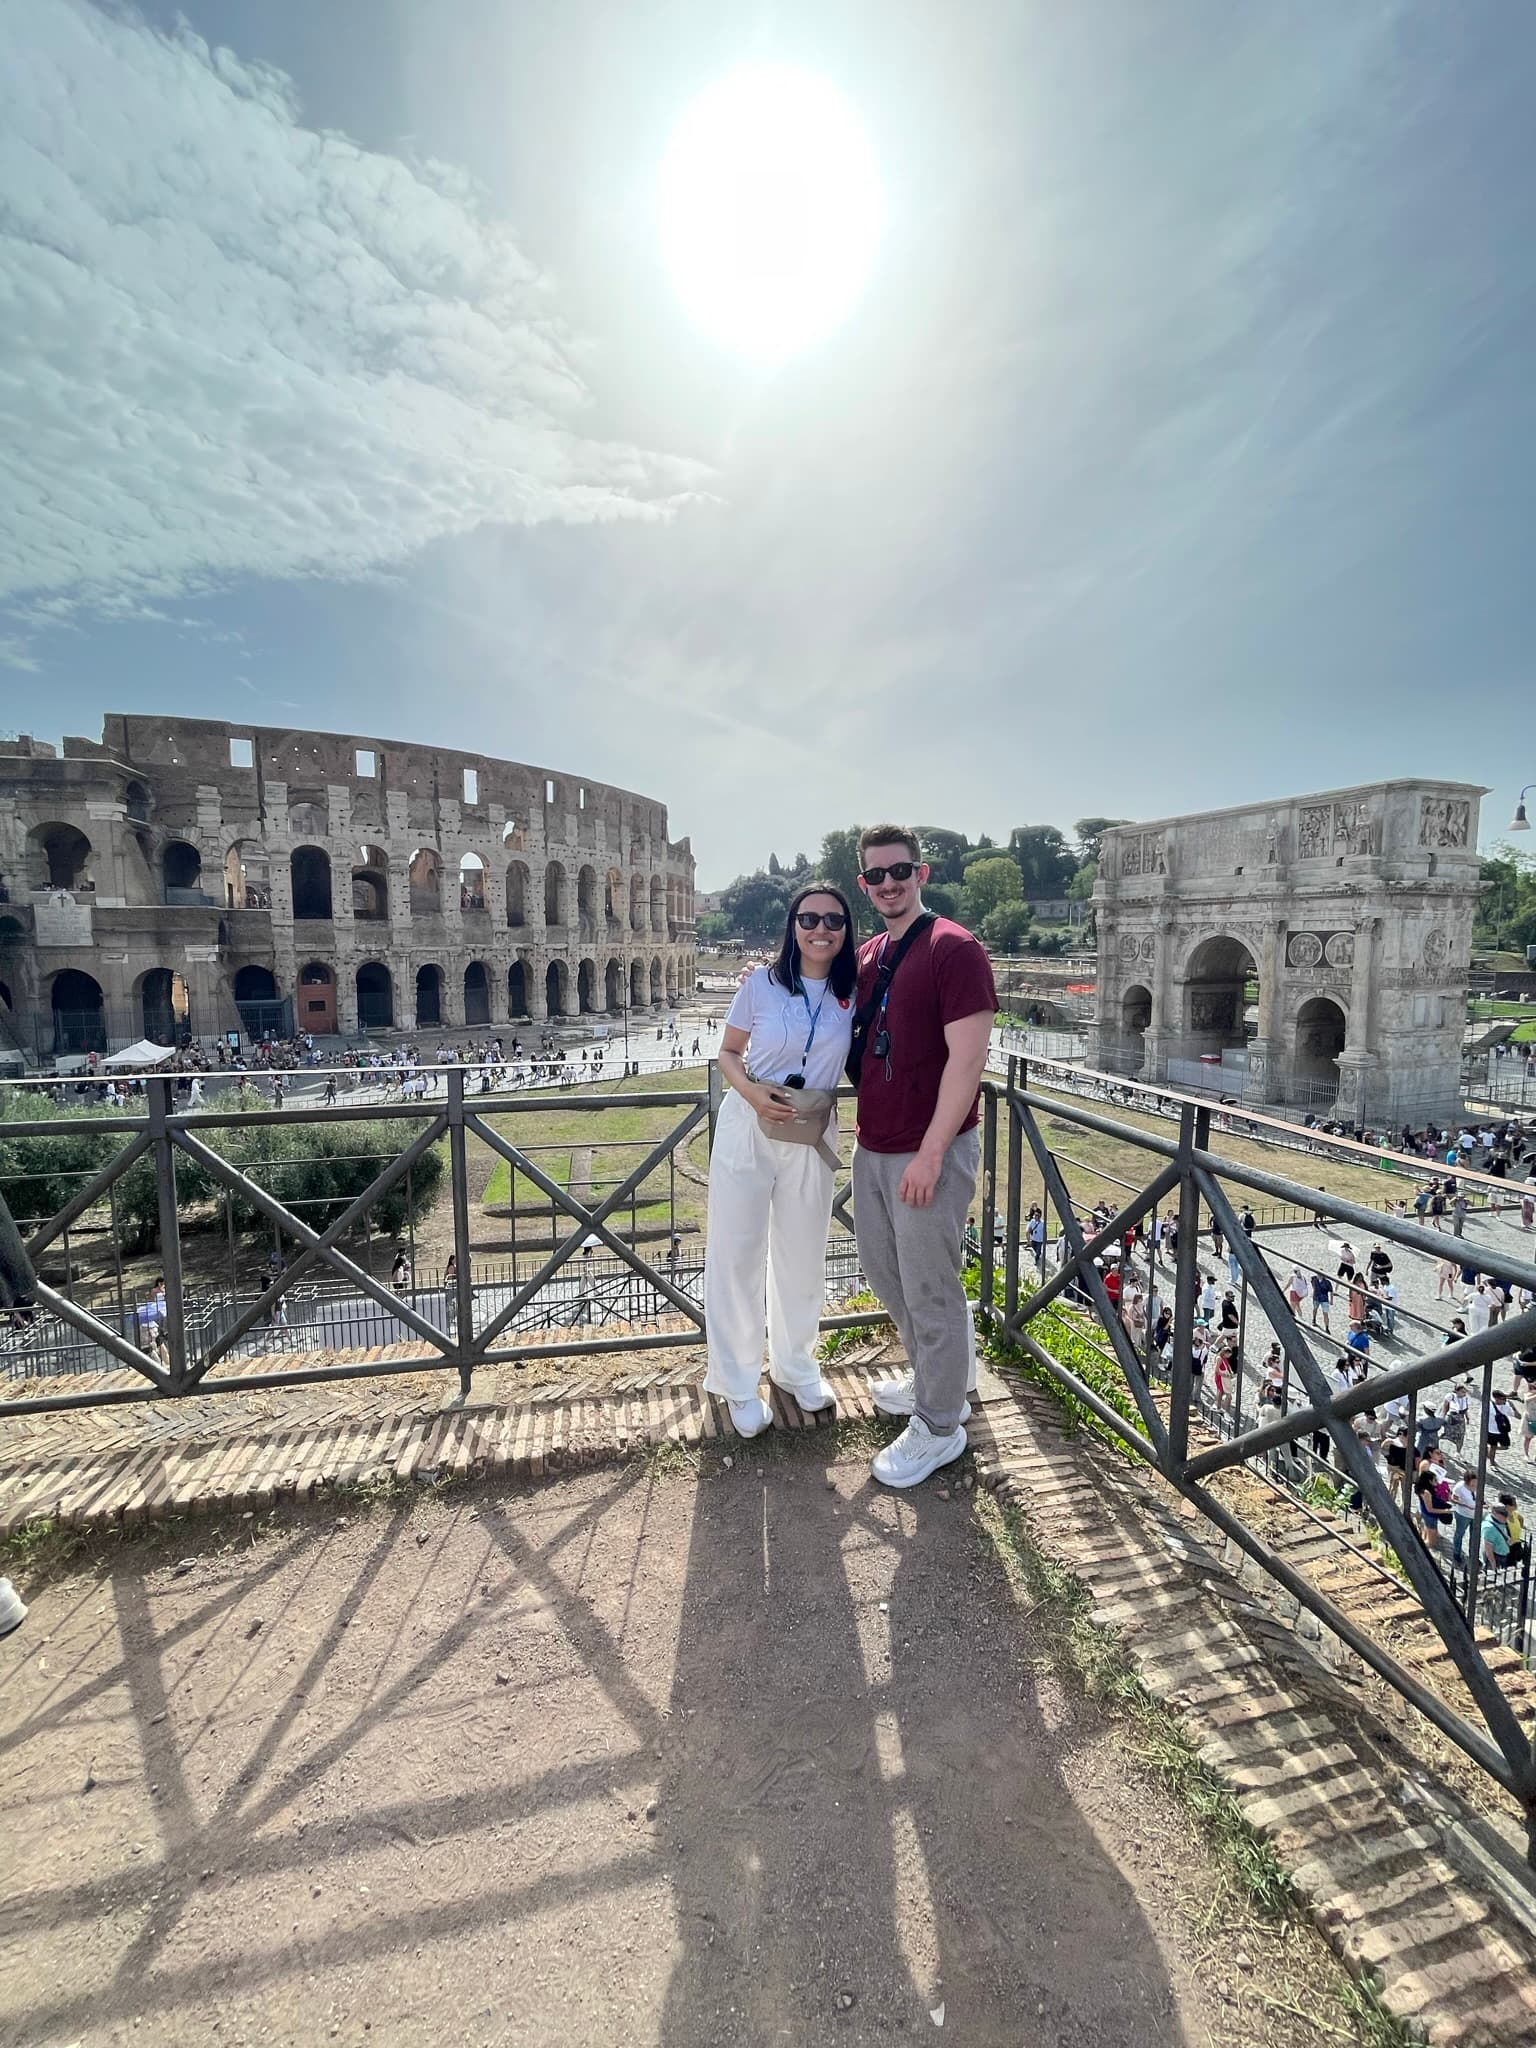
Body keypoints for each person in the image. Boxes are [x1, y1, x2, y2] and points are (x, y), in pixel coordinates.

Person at [852, 828, 998, 1487]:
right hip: (874, 1144)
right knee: (887, 1274)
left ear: (922, 872)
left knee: (931, 1287)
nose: (888, 883)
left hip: (927, 1150)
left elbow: (968, 1061)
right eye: (876, 875)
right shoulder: (872, 953)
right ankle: (937, 1380)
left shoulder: (955, 948)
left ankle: (941, 1427)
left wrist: (933, 1154)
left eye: (899, 870)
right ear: (864, 883)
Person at [702, 884, 857, 1437]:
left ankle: (795, 1366)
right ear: (793, 925)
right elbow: (727, 1053)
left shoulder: (853, 992)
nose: (821, 929)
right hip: (750, 1123)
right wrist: (748, 1092)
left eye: (833, 921)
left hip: (812, 1131)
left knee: (803, 1254)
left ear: (846, 929)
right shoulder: (761, 985)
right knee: (737, 1252)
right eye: (809, 918)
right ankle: (737, 1382)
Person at [1450, 1467, 1479, 1566]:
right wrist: (1464, 1504)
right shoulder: (1459, 1487)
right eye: (1472, 1482)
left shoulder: (1477, 1486)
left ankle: (1473, 1555)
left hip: (1476, 1515)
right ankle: (1456, 1553)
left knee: (1474, 1535)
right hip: (1463, 1515)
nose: (1474, 1484)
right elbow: (1453, 1499)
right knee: (1459, 1534)